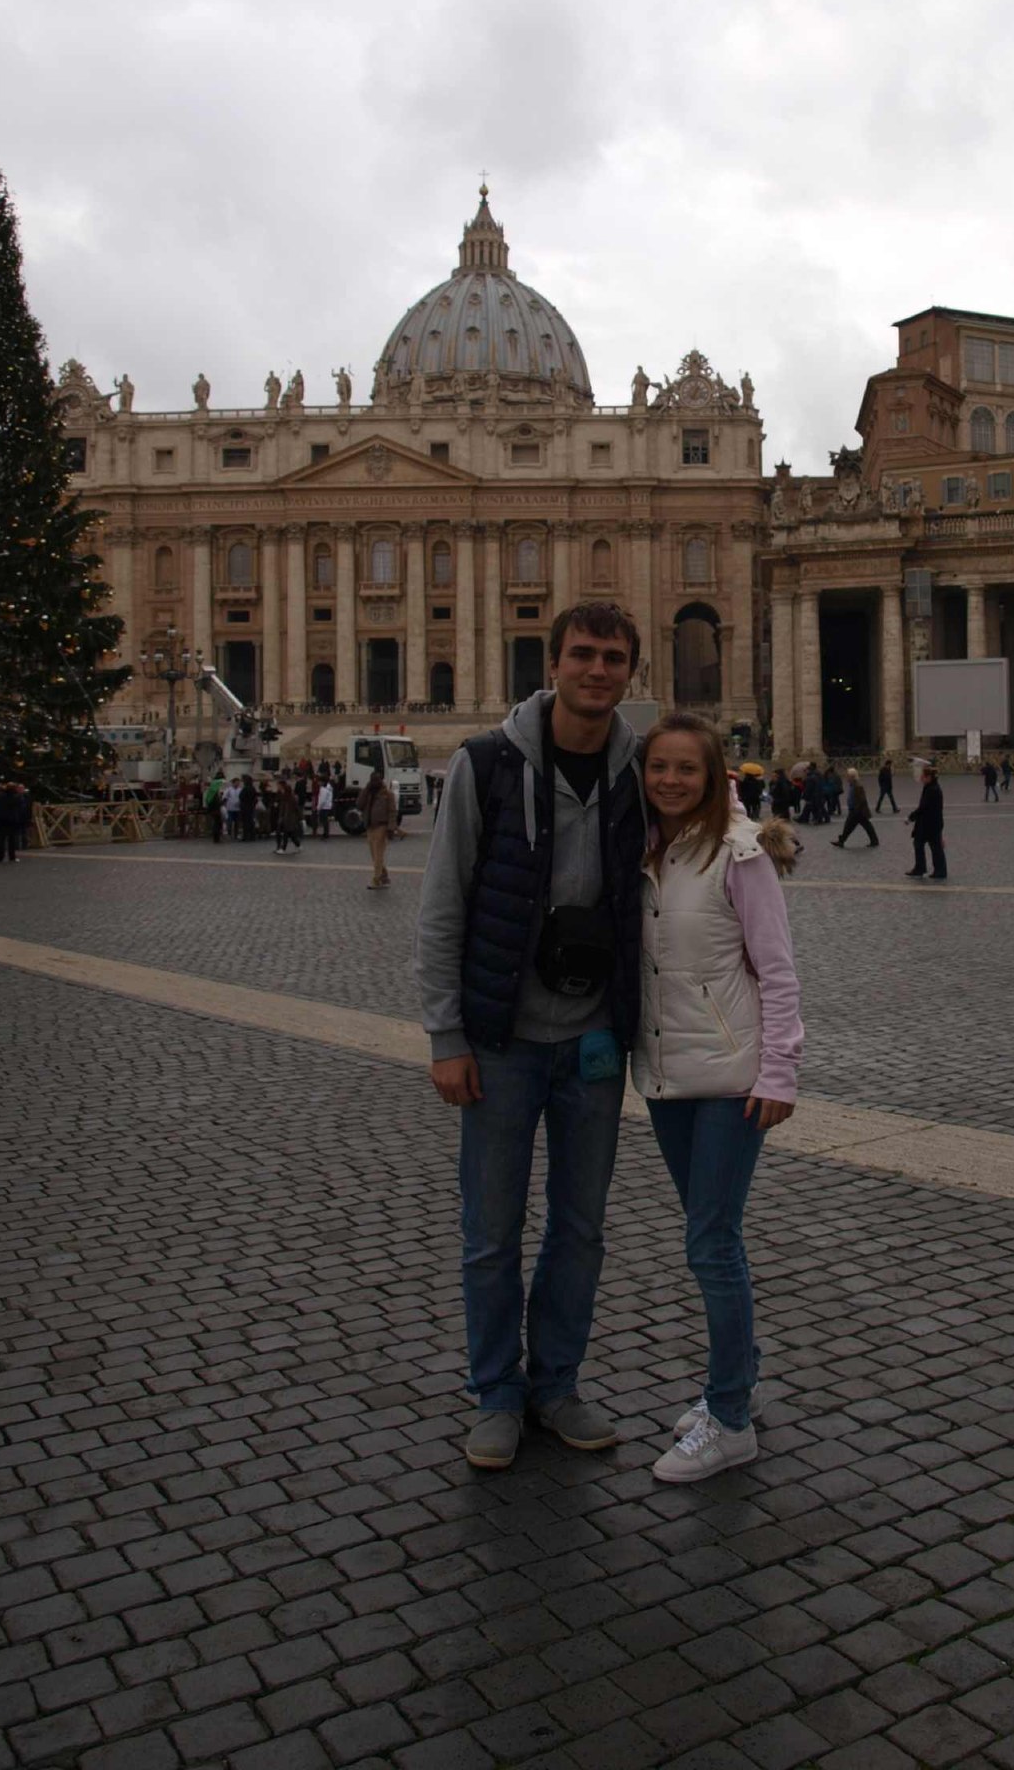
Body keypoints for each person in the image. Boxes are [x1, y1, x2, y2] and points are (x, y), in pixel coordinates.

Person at [414, 602, 647, 1472]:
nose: (597, 670)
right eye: (582, 654)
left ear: (630, 672)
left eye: (612, 658)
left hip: (594, 1043)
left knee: (581, 1229)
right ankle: (496, 1394)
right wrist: (446, 1035)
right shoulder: (485, 763)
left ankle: (556, 1385)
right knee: (492, 1229)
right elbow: (442, 905)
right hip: (502, 1040)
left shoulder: (643, 771)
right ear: (552, 664)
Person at [635, 714, 803, 1481]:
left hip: (733, 1078)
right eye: (658, 767)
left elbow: (778, 969)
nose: (671, 780)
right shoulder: (644, 850)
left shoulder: (742, 853)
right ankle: (741, 1380)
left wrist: (780, 1072)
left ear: (712, 777)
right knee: (710, 1234)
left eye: (686, 769)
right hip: (668, 1074)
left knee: (711, 1242)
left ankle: (731, 1418)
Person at [907, 764, 947, 879]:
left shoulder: (932, 790)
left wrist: (911, 817)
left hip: (930, 824)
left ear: (928, 777)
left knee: (934, 847)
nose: (921, 779)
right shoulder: (931, 787)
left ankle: (937, 870)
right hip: (930, 823)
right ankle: (927, 869)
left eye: (922, 777)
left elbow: (923, 807)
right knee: (923, 844)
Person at [361, 767, 396, 886]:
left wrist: (391, 828)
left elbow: (392, 812)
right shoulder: (369, 793)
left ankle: (376, 879)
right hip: (370, 826)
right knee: (374, 855)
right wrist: (366, 789)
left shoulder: (388, 794)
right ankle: (383, 875)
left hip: (381, 826)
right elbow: (359, 804)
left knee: (378, 854)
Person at [833, 768, 878, 848]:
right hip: (855, 810)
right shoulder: (852, 785)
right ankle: (874, 840)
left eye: (848, 776)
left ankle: (841, 841)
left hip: (857, 811)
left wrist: (857, 809)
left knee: (850, 826)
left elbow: (862, 799)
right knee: (862, 826)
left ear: (852, 777)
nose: (846, 777)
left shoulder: (857, 786)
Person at [274, 777, 303, 855]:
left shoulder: (291, 799)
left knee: (286, 834)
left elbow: (296, 809)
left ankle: (283, 848)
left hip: (290, 819)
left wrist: (301, 818)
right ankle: (298, 845)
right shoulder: (285, 797)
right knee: (291, 834)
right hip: (286, 818)